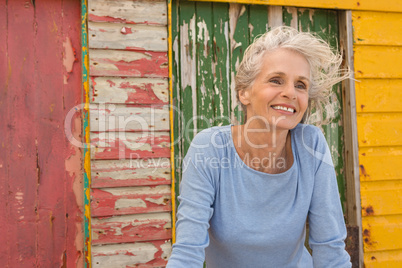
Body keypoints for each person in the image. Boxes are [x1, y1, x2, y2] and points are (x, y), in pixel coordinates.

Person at [167, 26, 352, 267]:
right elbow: (187, 252)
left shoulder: (311, 144)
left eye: (301, 85)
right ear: (244, 92)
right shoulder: (209, 148)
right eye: (276, 80)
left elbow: (330, 249)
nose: (290, 93)